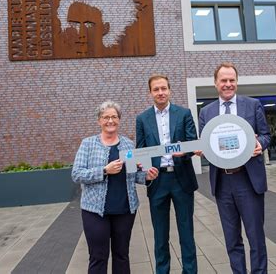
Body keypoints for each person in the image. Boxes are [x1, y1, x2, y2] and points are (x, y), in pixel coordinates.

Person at [198, 62, 270, 274]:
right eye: (224, 80)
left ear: (237, 82)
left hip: (248, 180)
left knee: (256, 237)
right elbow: (205, 143)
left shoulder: (253, 105)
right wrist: (203, 150)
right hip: (223, 182)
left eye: (232, 80)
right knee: (231, 239)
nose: (228, 84)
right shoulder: (206, 112)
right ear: (215, 83)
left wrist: (260, 145)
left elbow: (266, 135)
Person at [72, 101, 159, 274]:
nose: (110, 120)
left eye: (114, 117)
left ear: (119, 120)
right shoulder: (88, 144)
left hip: (125, 210)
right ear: (99, 121)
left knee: (122, 255)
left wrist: (147, 177)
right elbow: (77, 174)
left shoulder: (127, 144)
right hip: (95, 211)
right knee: (98, 256)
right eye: (106, 117)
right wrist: (104, 170)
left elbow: (134, 175)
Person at [136, 74, 199, 274]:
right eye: (156, 89)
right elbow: (141, 149)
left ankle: (190, 271)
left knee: (186, 232)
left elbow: (193, 143)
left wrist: (185, 150)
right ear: (150, 93)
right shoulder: (142, 119)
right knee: (160, 234)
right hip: (157, 180)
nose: (161, 92)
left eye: (164, 88)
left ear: (169, 90)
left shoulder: (184, 113)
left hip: (182, 179)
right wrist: (145, 168)